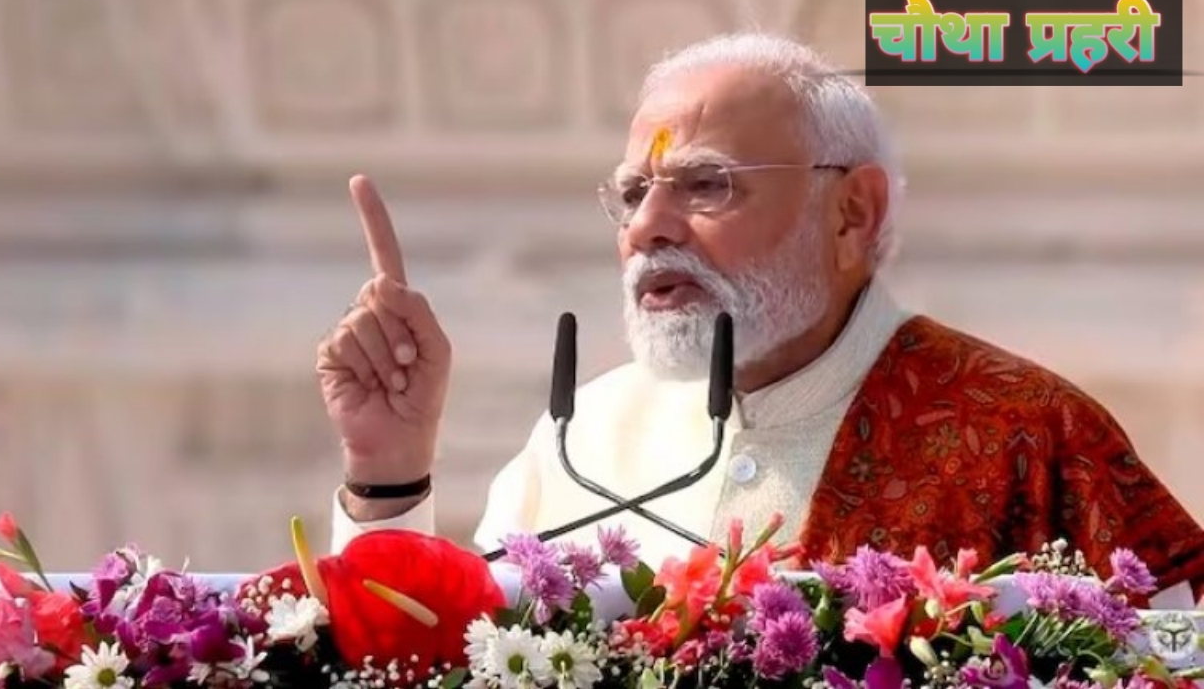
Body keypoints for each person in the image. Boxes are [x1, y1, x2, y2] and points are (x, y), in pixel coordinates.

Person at [314, 33, 1204, 605]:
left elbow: (1174, 649)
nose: (648, 228)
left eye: (705, 185)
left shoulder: (1023, 432)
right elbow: (449, 649)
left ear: (851, 214)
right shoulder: (584, 432)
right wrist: (389, 474)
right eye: (632, 193)